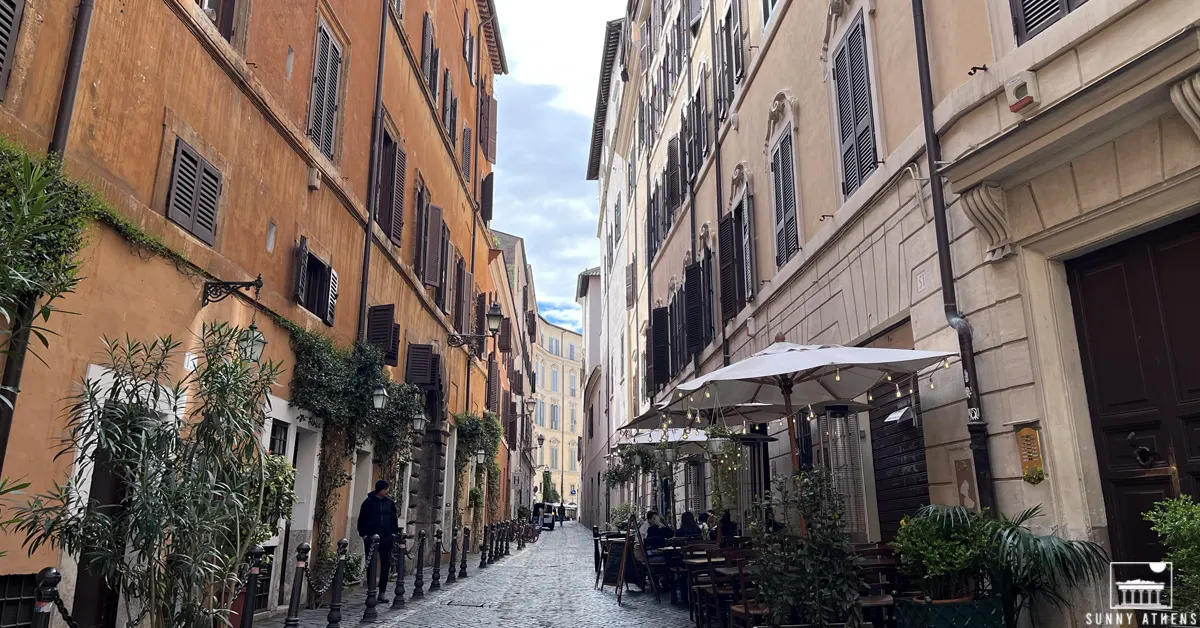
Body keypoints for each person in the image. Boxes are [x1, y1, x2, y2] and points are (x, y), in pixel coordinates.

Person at [356, 479, 399, 602]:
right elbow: (362, 519)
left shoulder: (390, 503)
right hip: (371, 538)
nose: (386, 491)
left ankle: (382, 592)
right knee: (371, 565)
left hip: (386, 537)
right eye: (385, 489)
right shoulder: (368, 502)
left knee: (386, 564)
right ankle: (371, 591)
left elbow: (393, 519)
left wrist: (393, 534)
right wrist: (364, 535)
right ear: (379, 489)